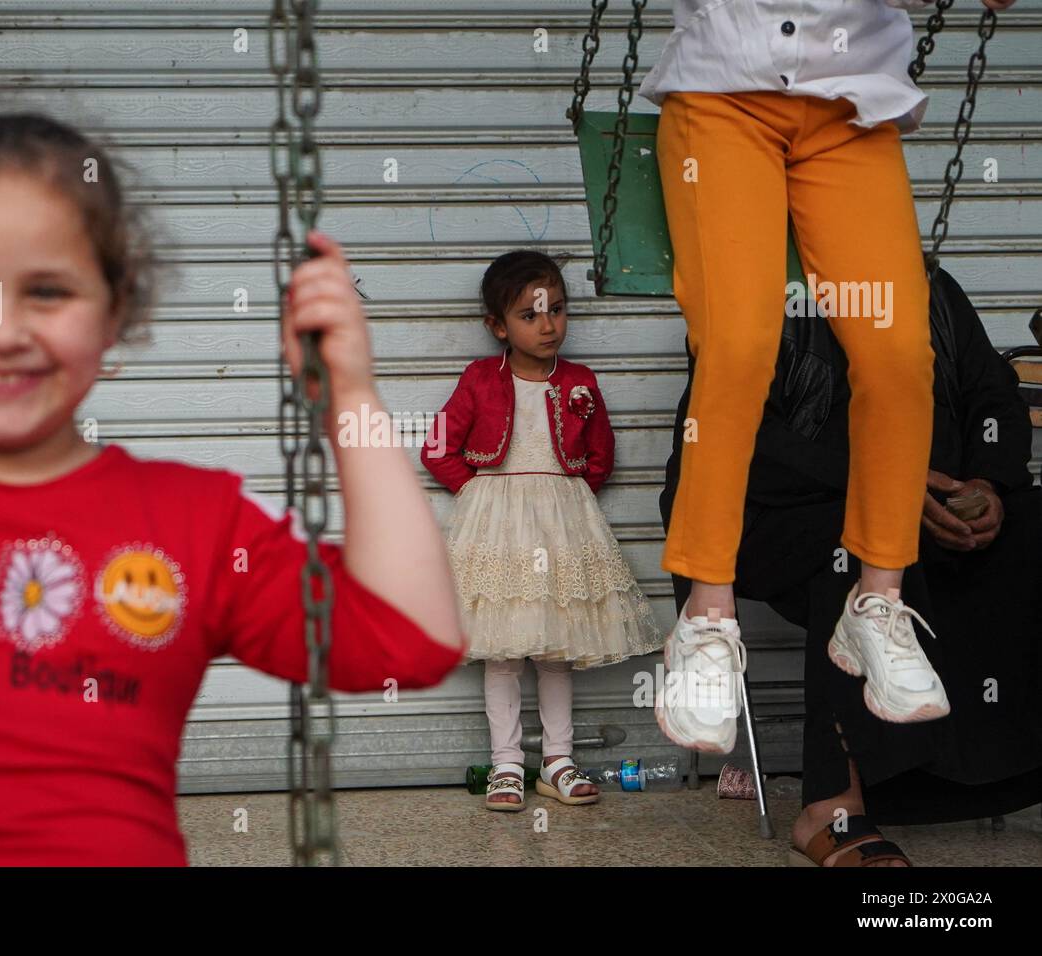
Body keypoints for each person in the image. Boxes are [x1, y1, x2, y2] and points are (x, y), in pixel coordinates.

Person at [0, 112, 464, 865]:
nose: (2, 330)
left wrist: (350, 397)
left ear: (115, 315)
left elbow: (409, 641)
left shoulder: (198, 522)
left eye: (49, 291)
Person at [639, 0, 1018, 757]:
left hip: (852, 103)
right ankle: (706, 620)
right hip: (723, 92)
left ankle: (877, 602)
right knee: (740, 345)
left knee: (899, 355)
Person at [661, 268, 1042, 866]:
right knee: (856, 540)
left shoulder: (929, 288)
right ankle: (830, 807)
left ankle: (986, 770)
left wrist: (988, 484)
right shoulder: (759, 288)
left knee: (1033, 523)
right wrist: (885, 489)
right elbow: (735, 439)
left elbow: (993, 396)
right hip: (771, 516)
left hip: (924, 514)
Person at [422, 250, 662, 811]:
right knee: (502, 652)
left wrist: (568, 497)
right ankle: (506, 763)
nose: (548, 325)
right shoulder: (480, 378)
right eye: (529, 315)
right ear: (496, 326)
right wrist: (478, 491)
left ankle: (557, 760)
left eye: (556, 309)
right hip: (497, 527)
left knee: (558, 650)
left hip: (561, 525)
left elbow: (601, 454)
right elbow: (437, 447)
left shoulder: (580, 381)